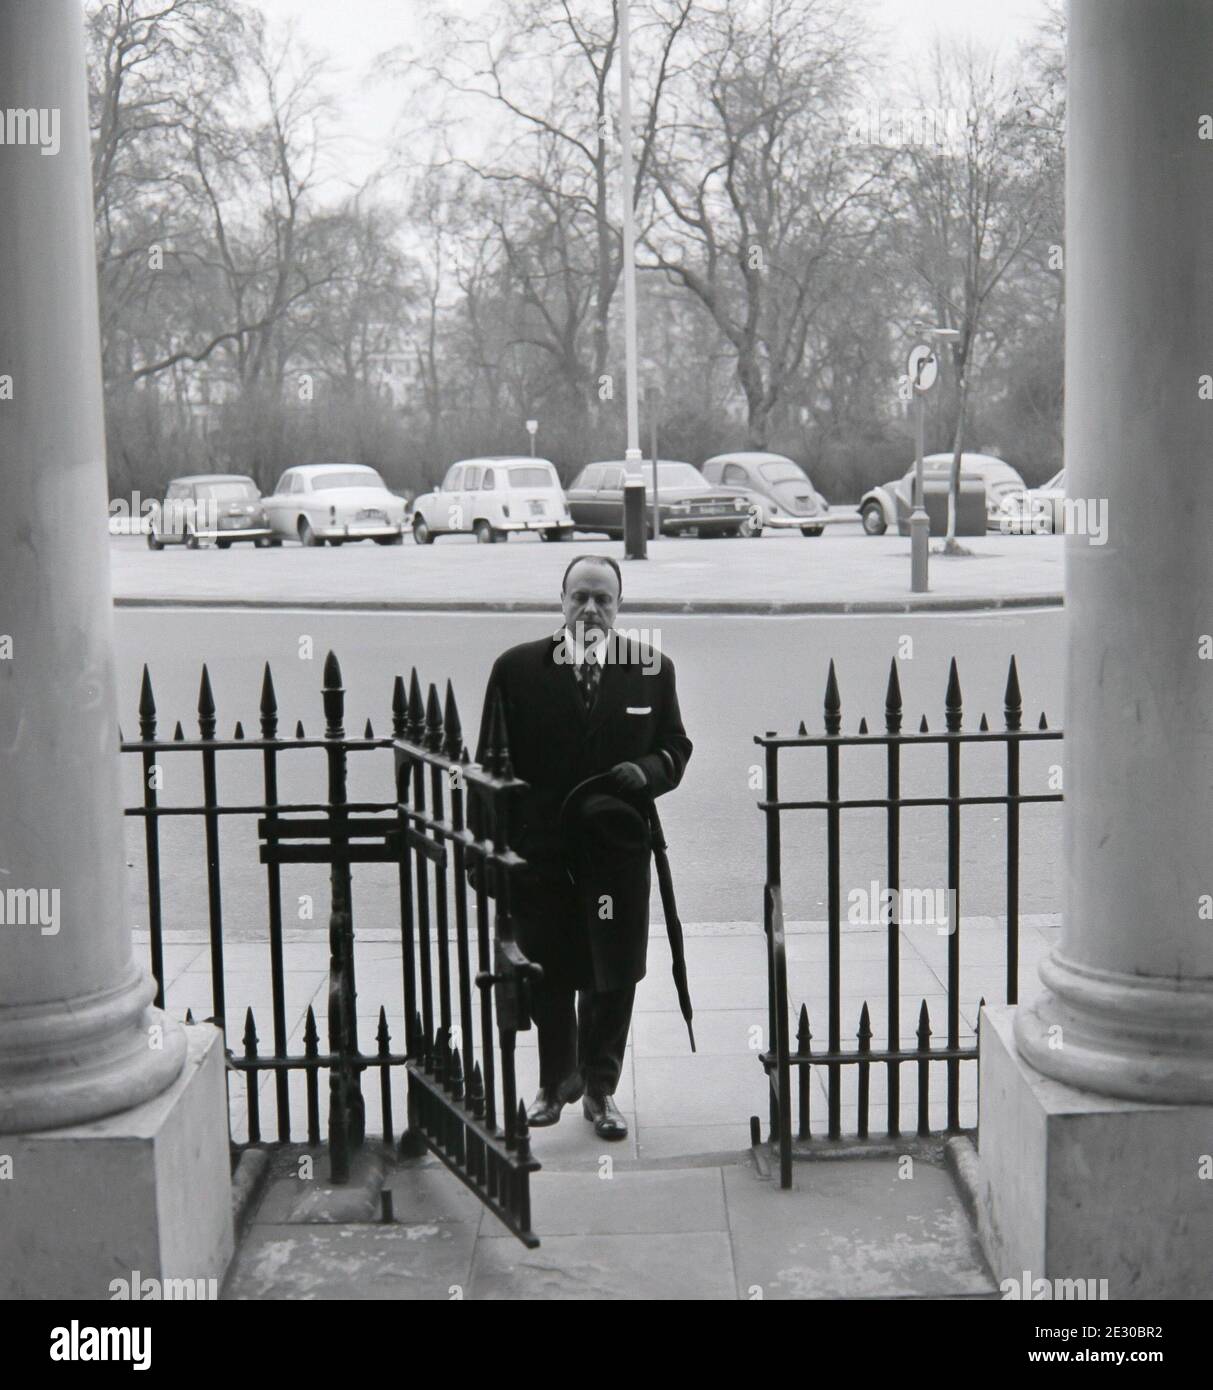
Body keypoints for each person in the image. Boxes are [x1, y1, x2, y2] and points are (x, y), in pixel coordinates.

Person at [472, 554, 692, 1139]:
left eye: (603, 598)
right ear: (561, 599)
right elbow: (489, 764)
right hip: (543, 856)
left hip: (617, 857)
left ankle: (600, 1090)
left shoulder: (651, 669)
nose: (590, 609)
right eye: (580, 597)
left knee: (612, 974)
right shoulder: (516, 670)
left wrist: (647, 770)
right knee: (549, 970)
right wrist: (486, 855)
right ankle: (555, 1083)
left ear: (619, 606)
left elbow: (676, 746)